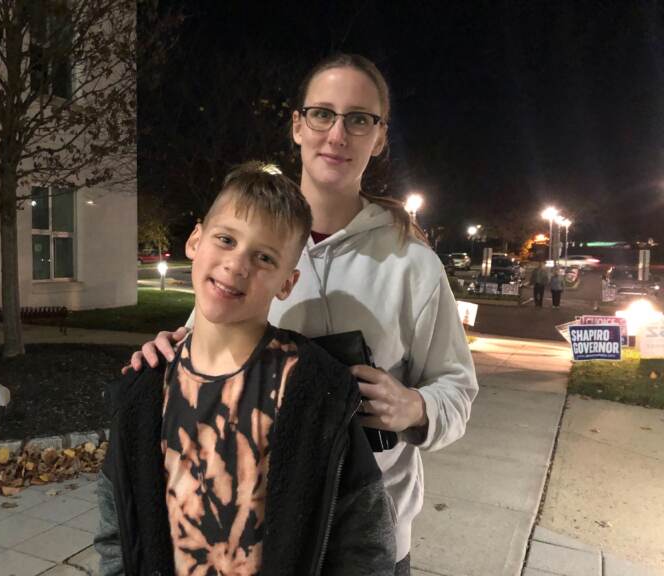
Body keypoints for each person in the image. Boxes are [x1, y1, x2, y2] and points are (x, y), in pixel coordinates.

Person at [128, 54, 478, 575]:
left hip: (367, 538)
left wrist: (414, 407)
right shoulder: (256, 244)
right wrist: (169, 350)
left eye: (360, 119)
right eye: (322, 114)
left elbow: (457, 389)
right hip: (255, 533)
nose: (337, 134)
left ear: (379, 138)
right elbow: (209, 335)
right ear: (297, 125)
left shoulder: (412, 264)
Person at [96, 162, 396, 575]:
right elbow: (118, 533)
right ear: (195, 240)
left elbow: (365, 545)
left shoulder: (315, 391)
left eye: (264, 257)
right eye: (225, 239)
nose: (237, 265)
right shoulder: (145, 392)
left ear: (287, 283)